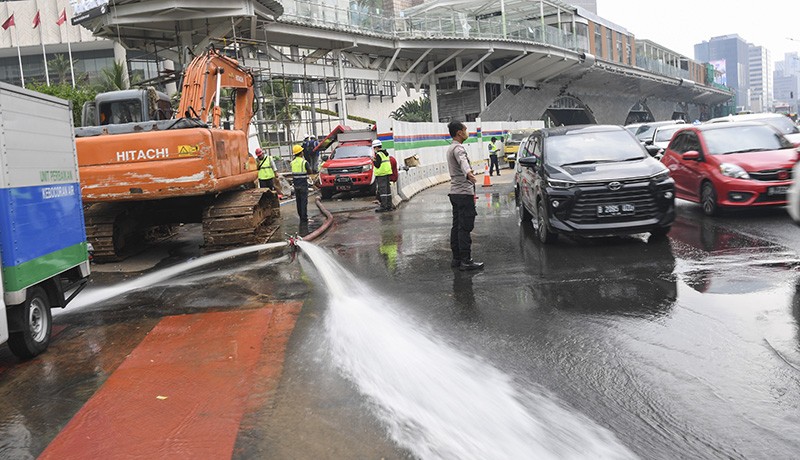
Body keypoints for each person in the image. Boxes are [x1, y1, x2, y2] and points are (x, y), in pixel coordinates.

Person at [447, 121, 483, 271]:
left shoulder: (450, 148)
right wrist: (468, 173)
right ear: (459, 133)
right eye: (465, 130)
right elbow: (463, 161)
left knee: (456, 227)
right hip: (463, 193)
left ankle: (456, 259)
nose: (467, 132)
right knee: (465, 227)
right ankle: (466, 260)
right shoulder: (458, 148)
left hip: (455, 192)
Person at [372, 139, 393, 212]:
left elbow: (377, 165)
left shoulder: (379, 154)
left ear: (376, 147)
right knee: (387, 190)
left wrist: (373, 160)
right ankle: (389, 205)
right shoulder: (385, 153)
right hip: (387, 173)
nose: (374, 149)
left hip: (381, 174)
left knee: (383, 191)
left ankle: (384, 206)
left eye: (374, 148)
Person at [290, 144, 310, 221]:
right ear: (301, 153)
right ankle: (304, 218)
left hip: (296, 185)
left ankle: (301, 216)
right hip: (303, 185)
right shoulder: (304, 162)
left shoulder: (292, 163)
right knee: (304, 201)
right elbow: (310, 171)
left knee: (298, 201)